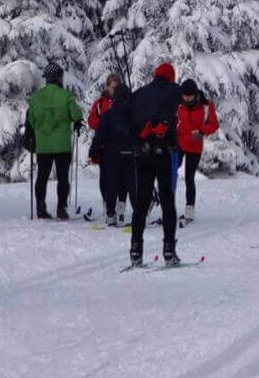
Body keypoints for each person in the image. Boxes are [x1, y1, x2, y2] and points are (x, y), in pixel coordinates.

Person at [129, 62, 182, 266]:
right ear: (171, 77)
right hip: (164, 152)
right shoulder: (175, 92)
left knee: (141, 203)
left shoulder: (140, 93)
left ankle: (135, 249)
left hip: (142, 153)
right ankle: (169, 248)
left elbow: (130, 123)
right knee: (167, 201)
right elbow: (179, 119)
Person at [25, 62, 83, 220]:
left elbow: (30, 119)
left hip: (43, 145)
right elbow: (76, 115)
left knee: (42, 177)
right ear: (59, 77)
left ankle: (40, 207)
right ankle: (61, 208)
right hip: (61, 145)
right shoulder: (66, 96)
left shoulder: (36, 98)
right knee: (63, 177)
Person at [88, 83, 137, 227]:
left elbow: (100, 135)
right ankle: (139, 214)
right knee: (132, 185)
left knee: (112, 185)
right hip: (130, 153)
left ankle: (110, 214)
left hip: (111, 154)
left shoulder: (108, 115)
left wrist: (94, 152)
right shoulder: (134, 115)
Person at [175, 79, 219, 224]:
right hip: (179, 143)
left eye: (189, 96)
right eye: (184, 96)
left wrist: (201, 131)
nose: (186, 98)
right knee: (169, 172)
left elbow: (213, 124)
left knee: (189, 177)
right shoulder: (178, 105)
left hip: (194, 146)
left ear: (195, 95)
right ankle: (167, 205)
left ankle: (189, 211)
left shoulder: (206, 106)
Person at [88, 73, 124, 224]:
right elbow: (91, 120)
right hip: (104, 145)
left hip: (121, 145)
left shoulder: (124, 101)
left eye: (116, 87)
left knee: (123, 179)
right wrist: (105, 125)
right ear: (107, 87)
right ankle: (107, 207)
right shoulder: (99, 103)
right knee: (105, 179)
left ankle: (120, 209)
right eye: (111, 87)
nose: (113, 89)